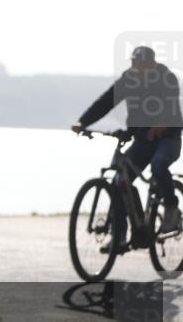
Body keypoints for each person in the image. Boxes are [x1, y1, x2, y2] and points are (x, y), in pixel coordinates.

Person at [72, 46, 183, 242]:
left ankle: (171, 208)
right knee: (119, 182)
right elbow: (106, 101)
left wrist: (162, 123)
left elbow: (171, 104)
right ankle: (123, 235)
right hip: (143, 140)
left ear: (153, 64)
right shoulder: (128, 80)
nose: (136, 68)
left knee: (158, 166)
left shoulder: (167, 78)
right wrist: (83, 122)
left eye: (141, 65)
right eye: (134, 64)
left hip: (168, 139)